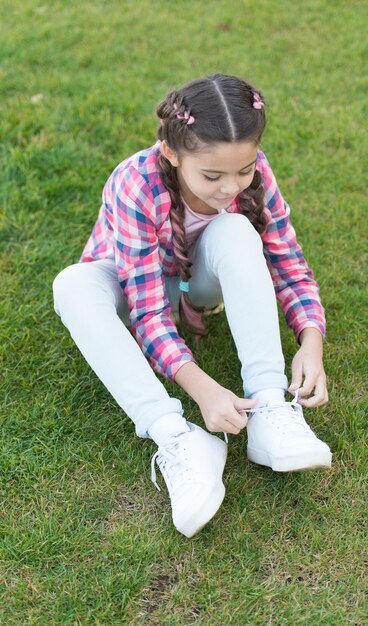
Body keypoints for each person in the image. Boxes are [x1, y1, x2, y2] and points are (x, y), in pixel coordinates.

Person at [52, 73, 332, 539]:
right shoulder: (135, 183)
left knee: (237, 229)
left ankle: (268, 405)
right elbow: (146, 313)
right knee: (72, 285)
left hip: (196, 283)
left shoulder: (253, 175)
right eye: (212, 175)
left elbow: (289, 264)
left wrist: (311, 340)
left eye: (242, 172)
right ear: (172, 153)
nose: (229, 188)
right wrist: (202, 389)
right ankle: (177, 437)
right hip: (130, 290)